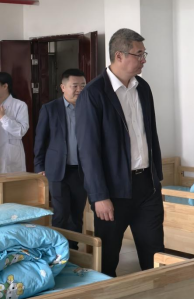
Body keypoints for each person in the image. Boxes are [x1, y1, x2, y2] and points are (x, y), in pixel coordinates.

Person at [76, 28, 164, 277]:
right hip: (112, 191)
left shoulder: (143, 88)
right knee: (108, 258)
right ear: (119, 56)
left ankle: (158, 295)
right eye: (139, 54)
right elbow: (88, 151)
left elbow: (151, 135)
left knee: (155, 254)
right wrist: (99, 196)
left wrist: (156, 179)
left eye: (144, 54)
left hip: (146, 187)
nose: (144, 59)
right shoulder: (94, 94)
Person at [34, 69, 87, 249]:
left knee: (76, 213)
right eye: (75, 86)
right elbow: (40, 139)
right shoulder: (50, 108)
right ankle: (57, 250)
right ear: (63, 87)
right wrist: (39, 165)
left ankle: (73, 249)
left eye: (83, 86)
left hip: (81, 170)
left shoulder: (89, 108)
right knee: (61, 212)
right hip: (57, 169)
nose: (79, 89)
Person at [0, 72, 29, 173]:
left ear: (5, 86)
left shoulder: (20, 105)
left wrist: (3, 118)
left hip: (10, 157)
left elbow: (21, 131)